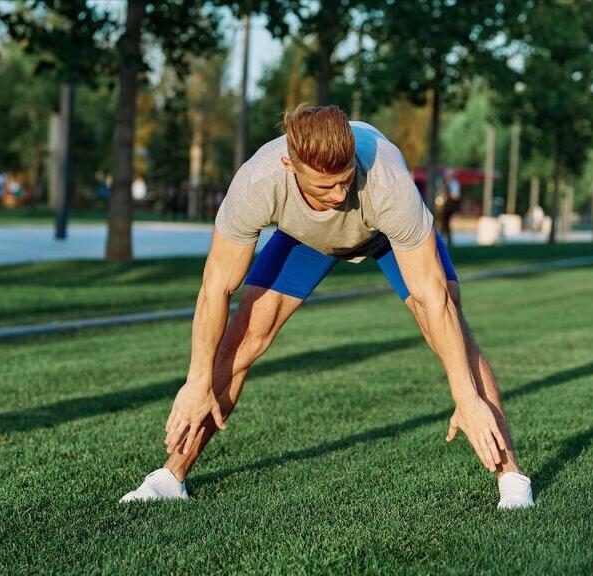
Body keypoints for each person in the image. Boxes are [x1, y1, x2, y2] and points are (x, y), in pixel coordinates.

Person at [119, 105, 534, 510]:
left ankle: (512, 477)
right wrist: (196, 382)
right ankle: (172, 477)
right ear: (290, 165)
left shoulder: (386, 180)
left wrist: (464, 397)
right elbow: (215, 290)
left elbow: (434, 298)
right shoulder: (258, 181)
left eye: (345, 181)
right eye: (324, 187)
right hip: (305, 239)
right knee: (242, 339)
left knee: (450, 331)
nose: (338, 196)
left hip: (384, 234)